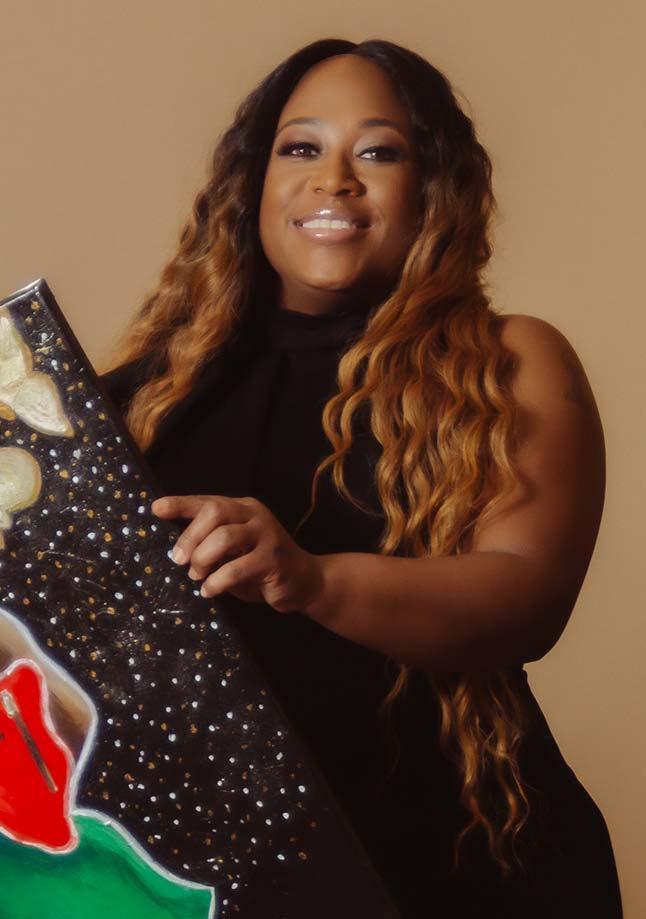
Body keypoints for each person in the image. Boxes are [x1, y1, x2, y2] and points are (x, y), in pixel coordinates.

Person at [99, 38, 623, 918]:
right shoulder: (146, 397)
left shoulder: (509, 360)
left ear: (433, 188)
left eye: (379, 152)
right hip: (224, 881)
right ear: (252, 183)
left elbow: (527, 595)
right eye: (300, 147)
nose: (334, 180)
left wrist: (310, 579)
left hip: (461, 862)